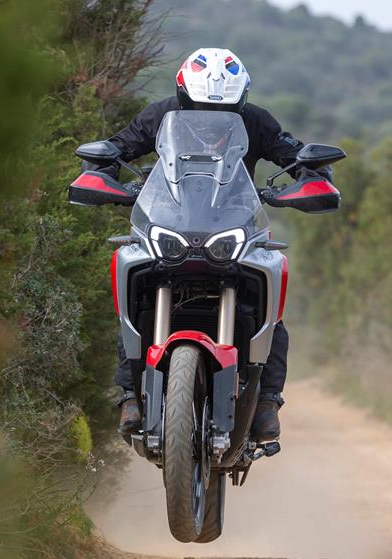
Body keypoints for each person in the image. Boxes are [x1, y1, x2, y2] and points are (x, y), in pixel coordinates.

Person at [94, 48, 331, 442]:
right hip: (169, 223)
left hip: (234, 226)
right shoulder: (159, 115)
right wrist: (101, 169)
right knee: (129, 283)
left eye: (225, 111)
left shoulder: (255, 121)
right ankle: (128, 396)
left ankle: (268, 401)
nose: (213, 118)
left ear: (241, 102)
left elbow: (294, 154)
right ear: (184, 96)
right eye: (200, 106)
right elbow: (118, 147)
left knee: (272, 295)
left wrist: (313, 172)